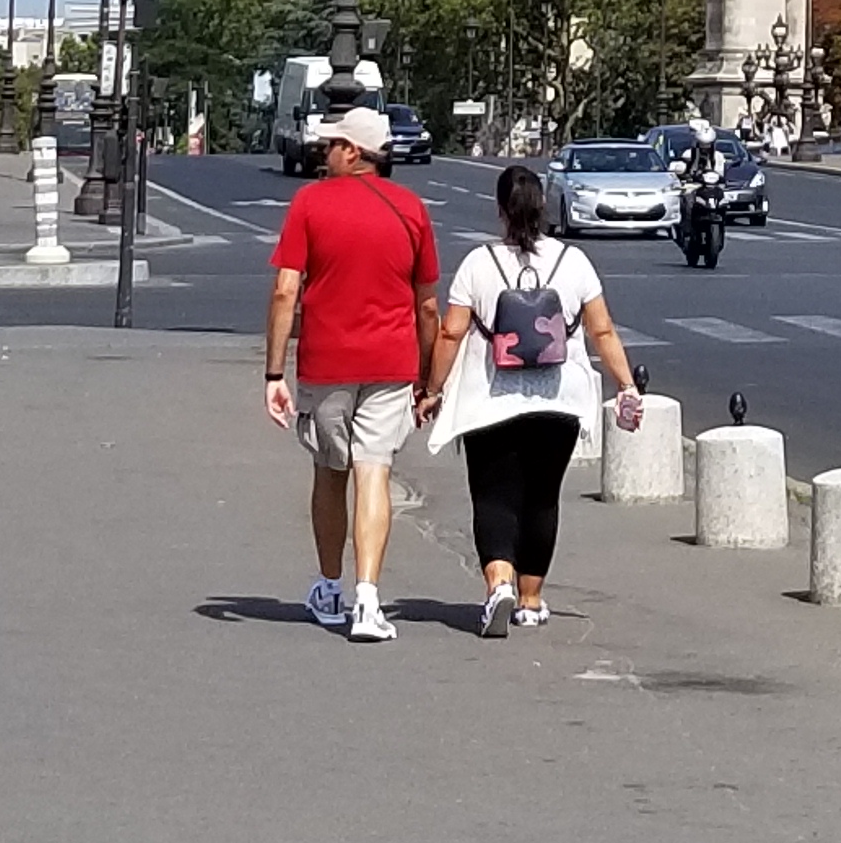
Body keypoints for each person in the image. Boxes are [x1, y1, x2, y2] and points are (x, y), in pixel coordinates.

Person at [422, 162, 646, 637]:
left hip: (490, 403)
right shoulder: (574, 262)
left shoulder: (479, 263)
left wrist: (432, 390)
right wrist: (626, 385)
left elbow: (451, 333)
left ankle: (498, 584)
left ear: (500, 210)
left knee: (493, 496)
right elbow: (602, 330)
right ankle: (530, 600)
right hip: (558, 402)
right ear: (543, 206)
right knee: (542, 498)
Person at [263, 104, 440, 644]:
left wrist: (274, 373)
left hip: (327, 361)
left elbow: (285, 291)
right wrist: (427, 379)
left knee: (329, 470)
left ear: (353, 151)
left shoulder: (310, 203)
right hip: (391, 362)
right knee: (374, 471)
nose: (324, 153)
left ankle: (329, 588)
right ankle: (368, 599)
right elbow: (427, 306)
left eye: (331, 145)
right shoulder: (411, 209)